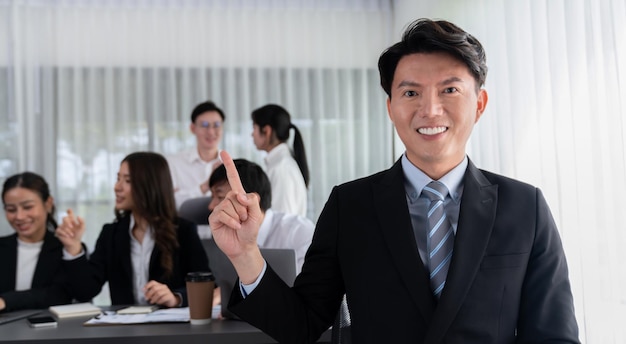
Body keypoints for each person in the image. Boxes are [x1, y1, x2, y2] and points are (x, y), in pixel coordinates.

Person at [209, 18, 580, 343]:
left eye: (449, 90)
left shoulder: (524, 206)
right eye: (411, 92)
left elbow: (553, 335)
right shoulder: (349, 206)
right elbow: (302, 325)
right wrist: (245, 255)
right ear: (391, 107)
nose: (430, 109)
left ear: (479, 104)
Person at [55, 152, 210, 308]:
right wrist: (73, 247)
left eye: (127, 180)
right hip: (125, 329)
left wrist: (176, 298)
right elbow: (85, 291)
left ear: (150, 185)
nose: (117, 187)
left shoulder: (183, 231)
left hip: (168, 327)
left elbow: (208, 285)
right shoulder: (111, 234)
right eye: (118, 179)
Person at [208, 159, 313, 274]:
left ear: (251, 200)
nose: (211, 206)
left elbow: (305, 288)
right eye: (212, 197)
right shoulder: (223, 235)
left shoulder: (299, 232)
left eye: (219, 196)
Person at [1, 172, 72, 312]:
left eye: (27, 207)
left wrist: (6, 301)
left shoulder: (67, 249)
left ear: (48, 204)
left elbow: (60, 295)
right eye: (11, 210)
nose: (19, 216)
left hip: (54, 332)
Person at [251, 104, 309, 217]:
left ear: (266, 131)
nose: (252, 134)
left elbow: (283, 221)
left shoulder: (281, 168)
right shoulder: (279, 164)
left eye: (254, 128)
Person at [167, 100, 225, 209]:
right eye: (204, 125)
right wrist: (206, 185)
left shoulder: (232, 164)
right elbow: (171, 203)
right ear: (193, 128)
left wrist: (183, 194)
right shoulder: (174, 163)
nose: (211, 132)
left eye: (216, 125)